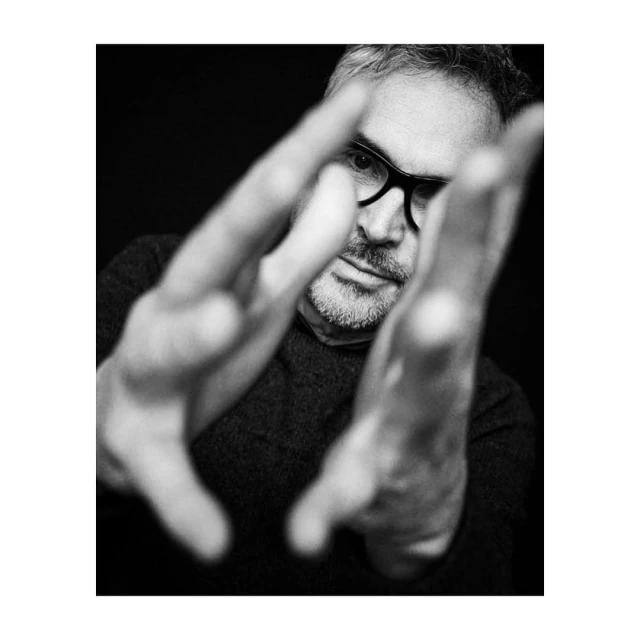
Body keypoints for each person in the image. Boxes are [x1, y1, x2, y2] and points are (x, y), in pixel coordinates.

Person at [97, 44, 543, 594]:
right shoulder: (159, 293)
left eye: (434, 194)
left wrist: (422, 545)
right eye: (362, 161)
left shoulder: (484, 413)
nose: (380, 227)